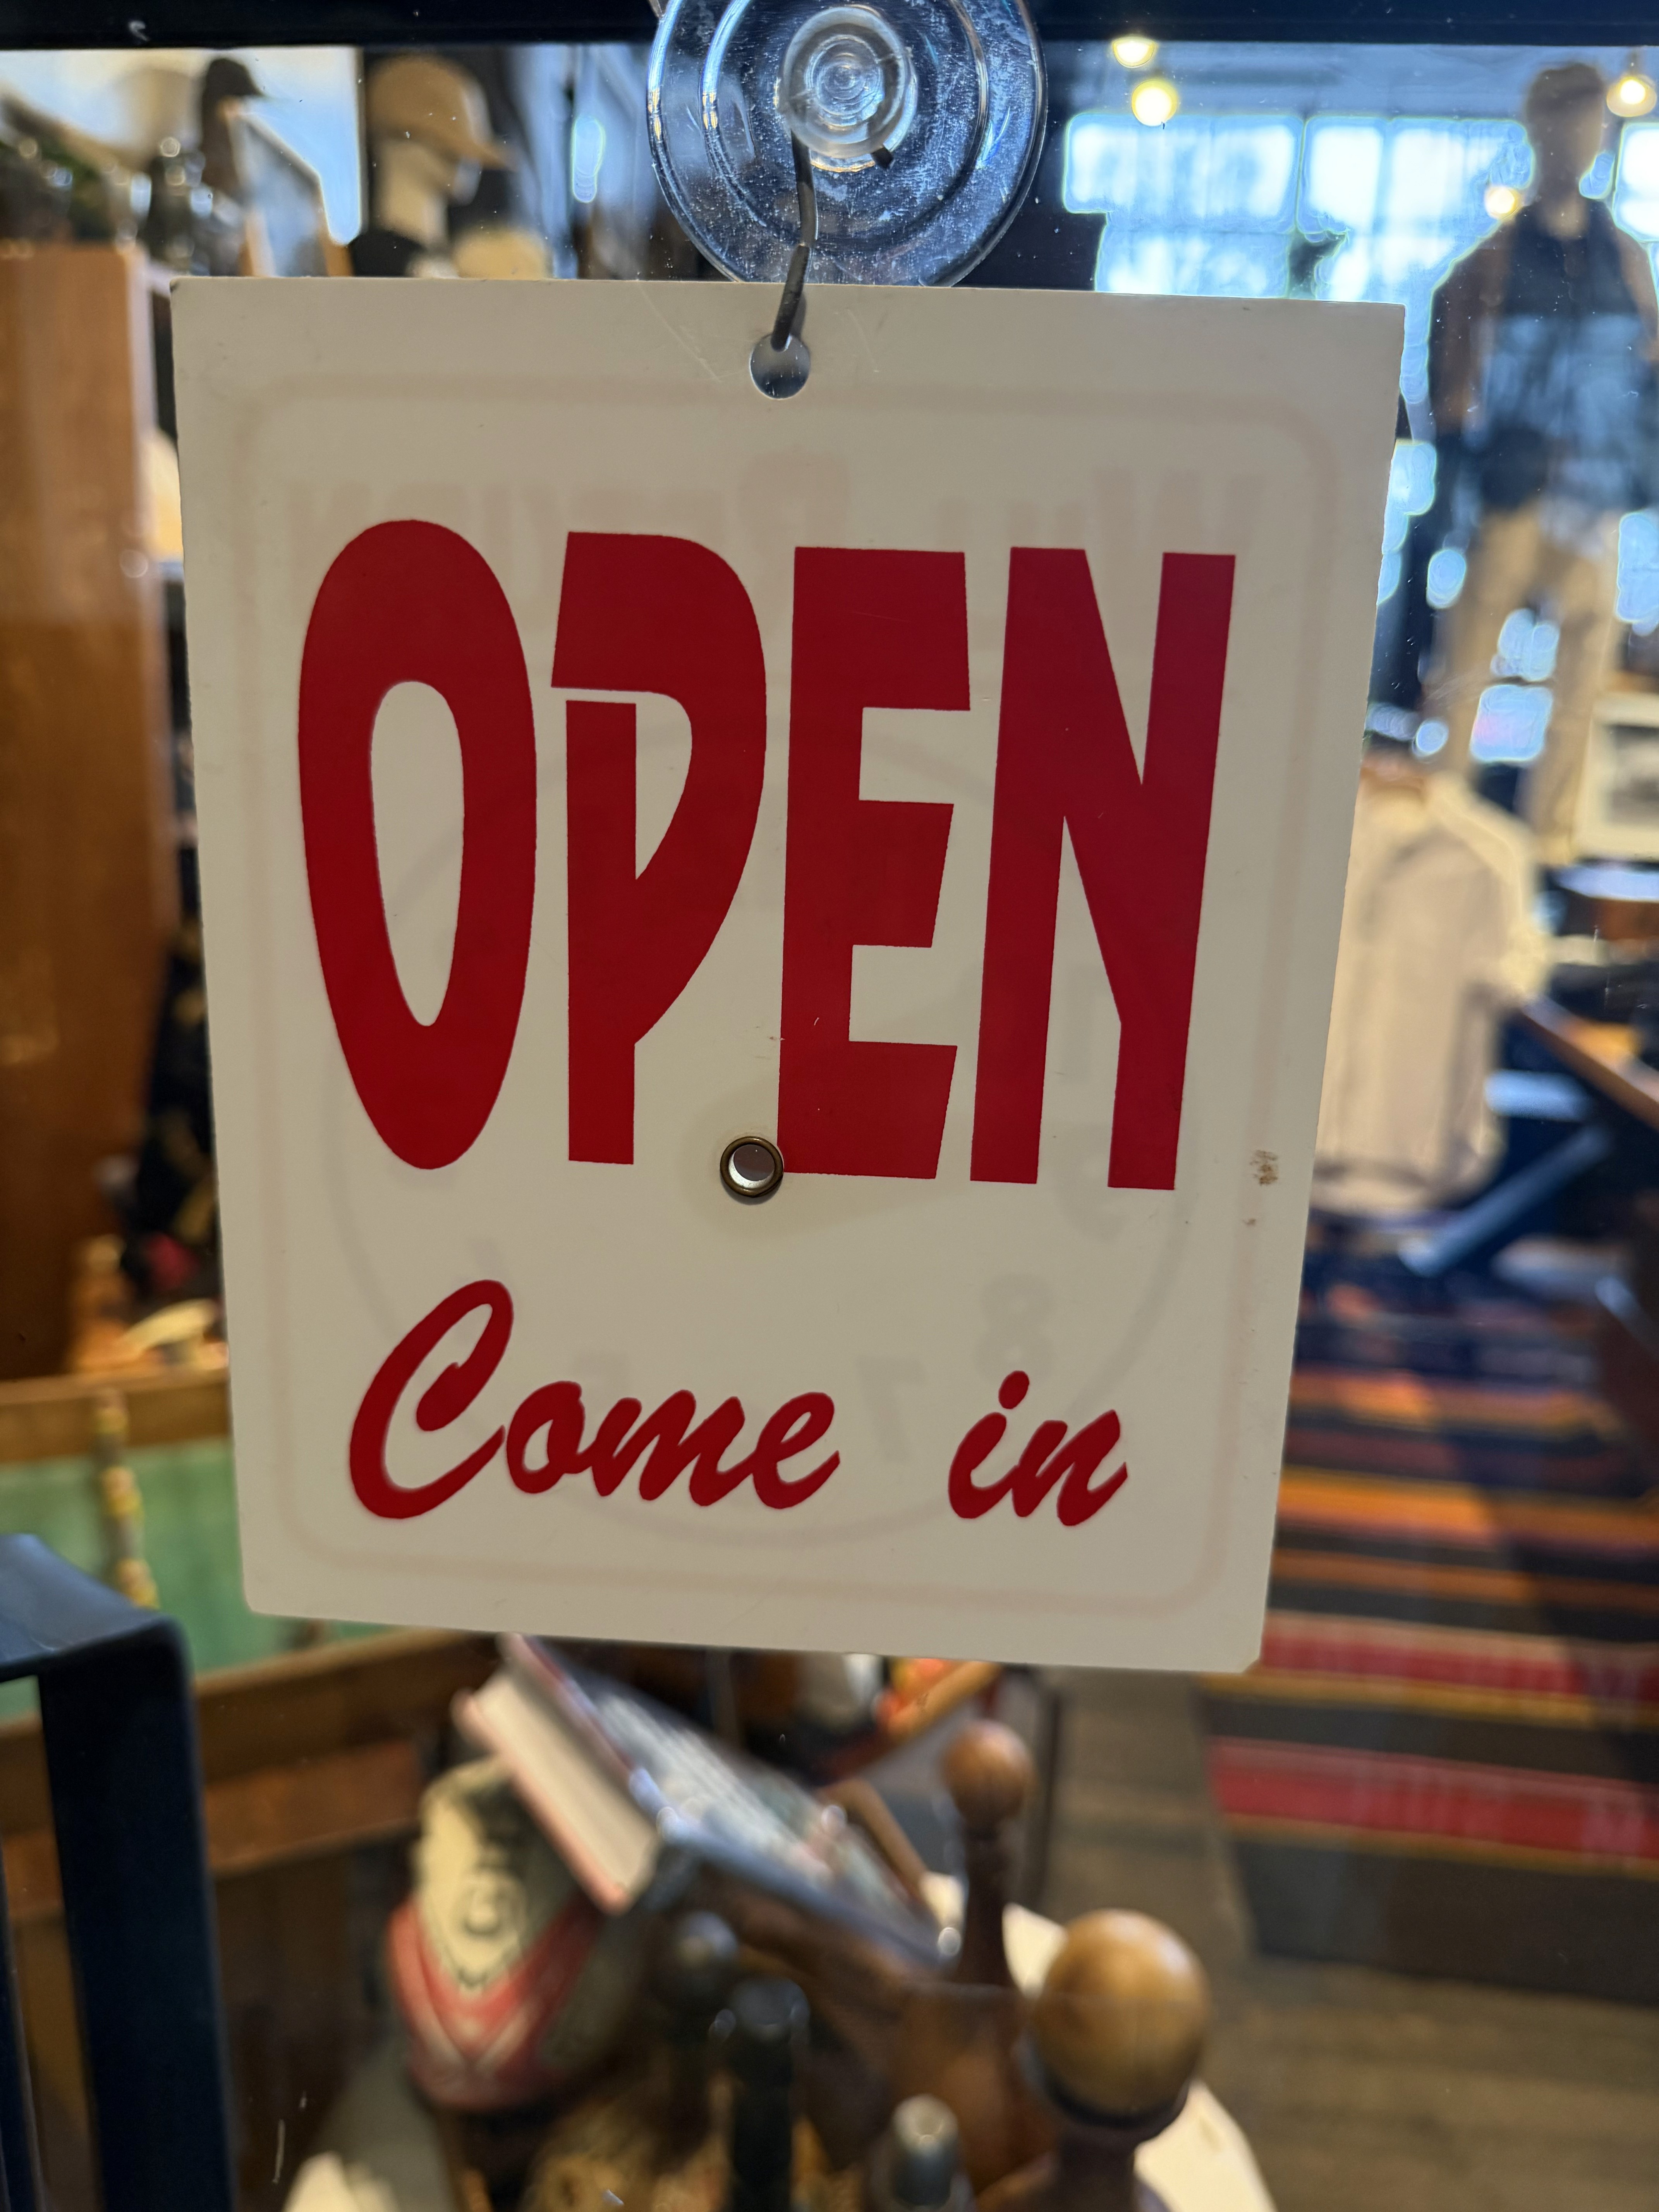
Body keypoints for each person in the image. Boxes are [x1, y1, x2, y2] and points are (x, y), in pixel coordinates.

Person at [1425, 62, 1659, 864]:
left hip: (1593, 495)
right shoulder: (1492, 262)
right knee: (1468, 656)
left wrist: (1632, 475)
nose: (1578, 142)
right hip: (1513, 489)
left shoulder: (1624, 258)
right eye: (1564, 125)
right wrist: (1465, 471)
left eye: (1590, 127)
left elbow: (1646, 373)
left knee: (1586, 667)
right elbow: (1453, 385)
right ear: (1537, 132)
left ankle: (1551, 841)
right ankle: (1444, 818)